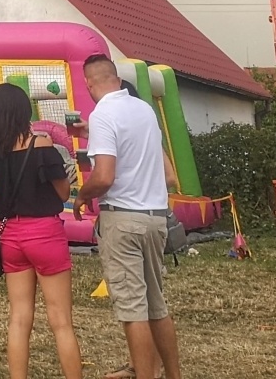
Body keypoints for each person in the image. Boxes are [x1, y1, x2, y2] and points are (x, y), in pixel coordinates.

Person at [76, 55, 183, 379]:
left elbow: (104, 176)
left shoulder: (103, 114)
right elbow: (160, 169)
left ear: (89, 83)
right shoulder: (144, 110)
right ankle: (173, 375)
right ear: (116, 78)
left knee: (132, 310)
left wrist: (83, 195)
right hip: (155, 218)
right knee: (155, 305)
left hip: (122, 219)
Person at [0, 84, 82, 379]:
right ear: (25, 110)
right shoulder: (42, 145)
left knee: (19, 319)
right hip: (45, 234)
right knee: (61, 321)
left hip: (10, 235)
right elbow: (63, 193)